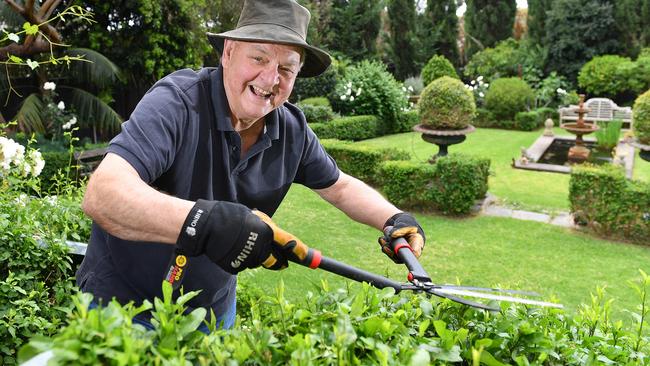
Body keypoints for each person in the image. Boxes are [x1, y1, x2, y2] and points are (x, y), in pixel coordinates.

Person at [78, 0, 426, 331]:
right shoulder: (177, 102)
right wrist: (207, 223)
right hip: (124, 307)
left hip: (211, 313)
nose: (270, 78)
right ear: (228, 52)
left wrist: (392, 218)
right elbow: (103, 195)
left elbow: (339, 186)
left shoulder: (291, 128)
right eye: (259, 58)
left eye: (286, 68)